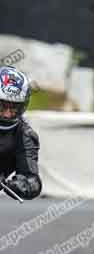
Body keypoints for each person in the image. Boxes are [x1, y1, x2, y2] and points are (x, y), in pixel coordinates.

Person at [0, 66, 42, 199]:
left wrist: (22, 185)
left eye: (14, 108)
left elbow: (33, 180)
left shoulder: (24, 135)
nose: (7, 114)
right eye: (1, 106)